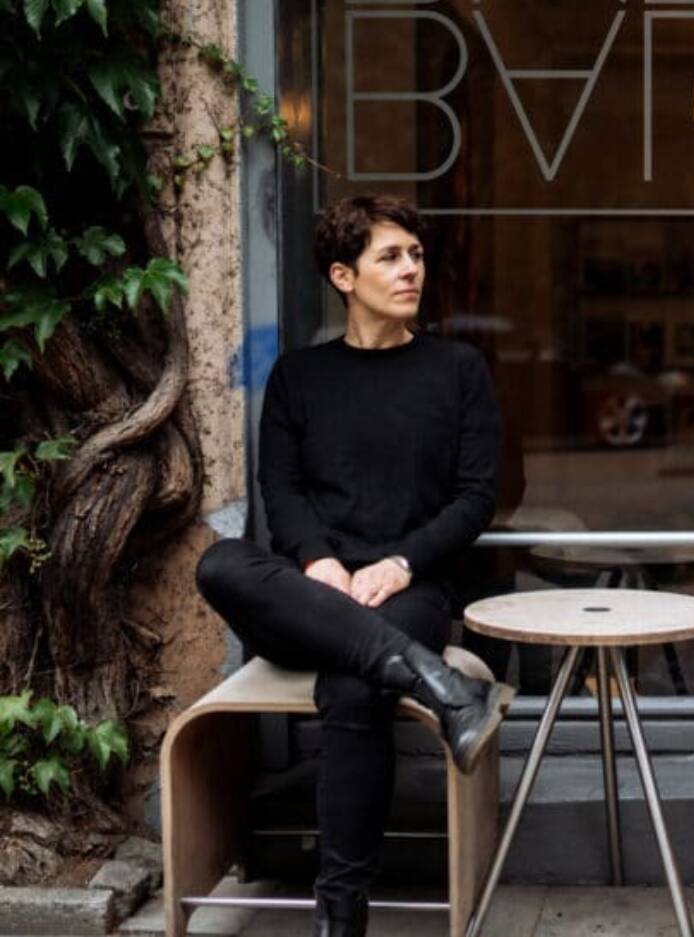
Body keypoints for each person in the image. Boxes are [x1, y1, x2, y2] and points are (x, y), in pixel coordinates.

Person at [195, 195, 505, 937]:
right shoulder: (301, 377)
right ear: (343, 274)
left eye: (416, 256)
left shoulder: (458, 370)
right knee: (221, 562)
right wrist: (319, 562)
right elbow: (283, 490)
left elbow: (475, 498)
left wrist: (400, 563)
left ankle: (340, 916)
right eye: (390, 257)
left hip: (411, 592)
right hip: (312, 593)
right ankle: (441, 687)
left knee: (352, 684)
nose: (410, 271)